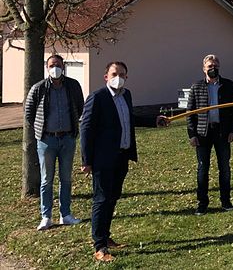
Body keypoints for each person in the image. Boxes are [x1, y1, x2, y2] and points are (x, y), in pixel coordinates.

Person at [79, 61, 167, 262]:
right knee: (101, 199)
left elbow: (129, 118)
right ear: (106, 77)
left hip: (122, 156)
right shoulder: (97, 97)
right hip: (102, 159)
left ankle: (106, 236)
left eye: (122, 74)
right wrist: (87, 159)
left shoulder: (126, 95)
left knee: (113, 197)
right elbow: (86, 129)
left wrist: (153, 120)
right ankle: (99, 246)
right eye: (114, 73)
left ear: (126, 77)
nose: (118, 77)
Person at [24, 54, 84, 231]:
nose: (55, 67)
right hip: (46, 140)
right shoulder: (39, 88)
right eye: (52, 65)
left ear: (63, 66)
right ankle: (46, 216)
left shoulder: (72, 86)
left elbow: (80, 107)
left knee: (65, 179)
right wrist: (40, 130)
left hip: (67, 138)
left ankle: (65, 214)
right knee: (46, 180)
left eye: (58, 64)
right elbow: (29, 112)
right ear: (47, 67)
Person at [187, 54, 233, 215]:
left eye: (215, 65)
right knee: (203, 168)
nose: (213, 68)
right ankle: (202, 203)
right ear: (204, 68)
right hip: (203, 133)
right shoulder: (196, 87)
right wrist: (192, 134)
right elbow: (190, 113)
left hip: (223, 132)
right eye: (210, 66)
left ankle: (226, 200)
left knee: (224, 167)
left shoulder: (228, 85)